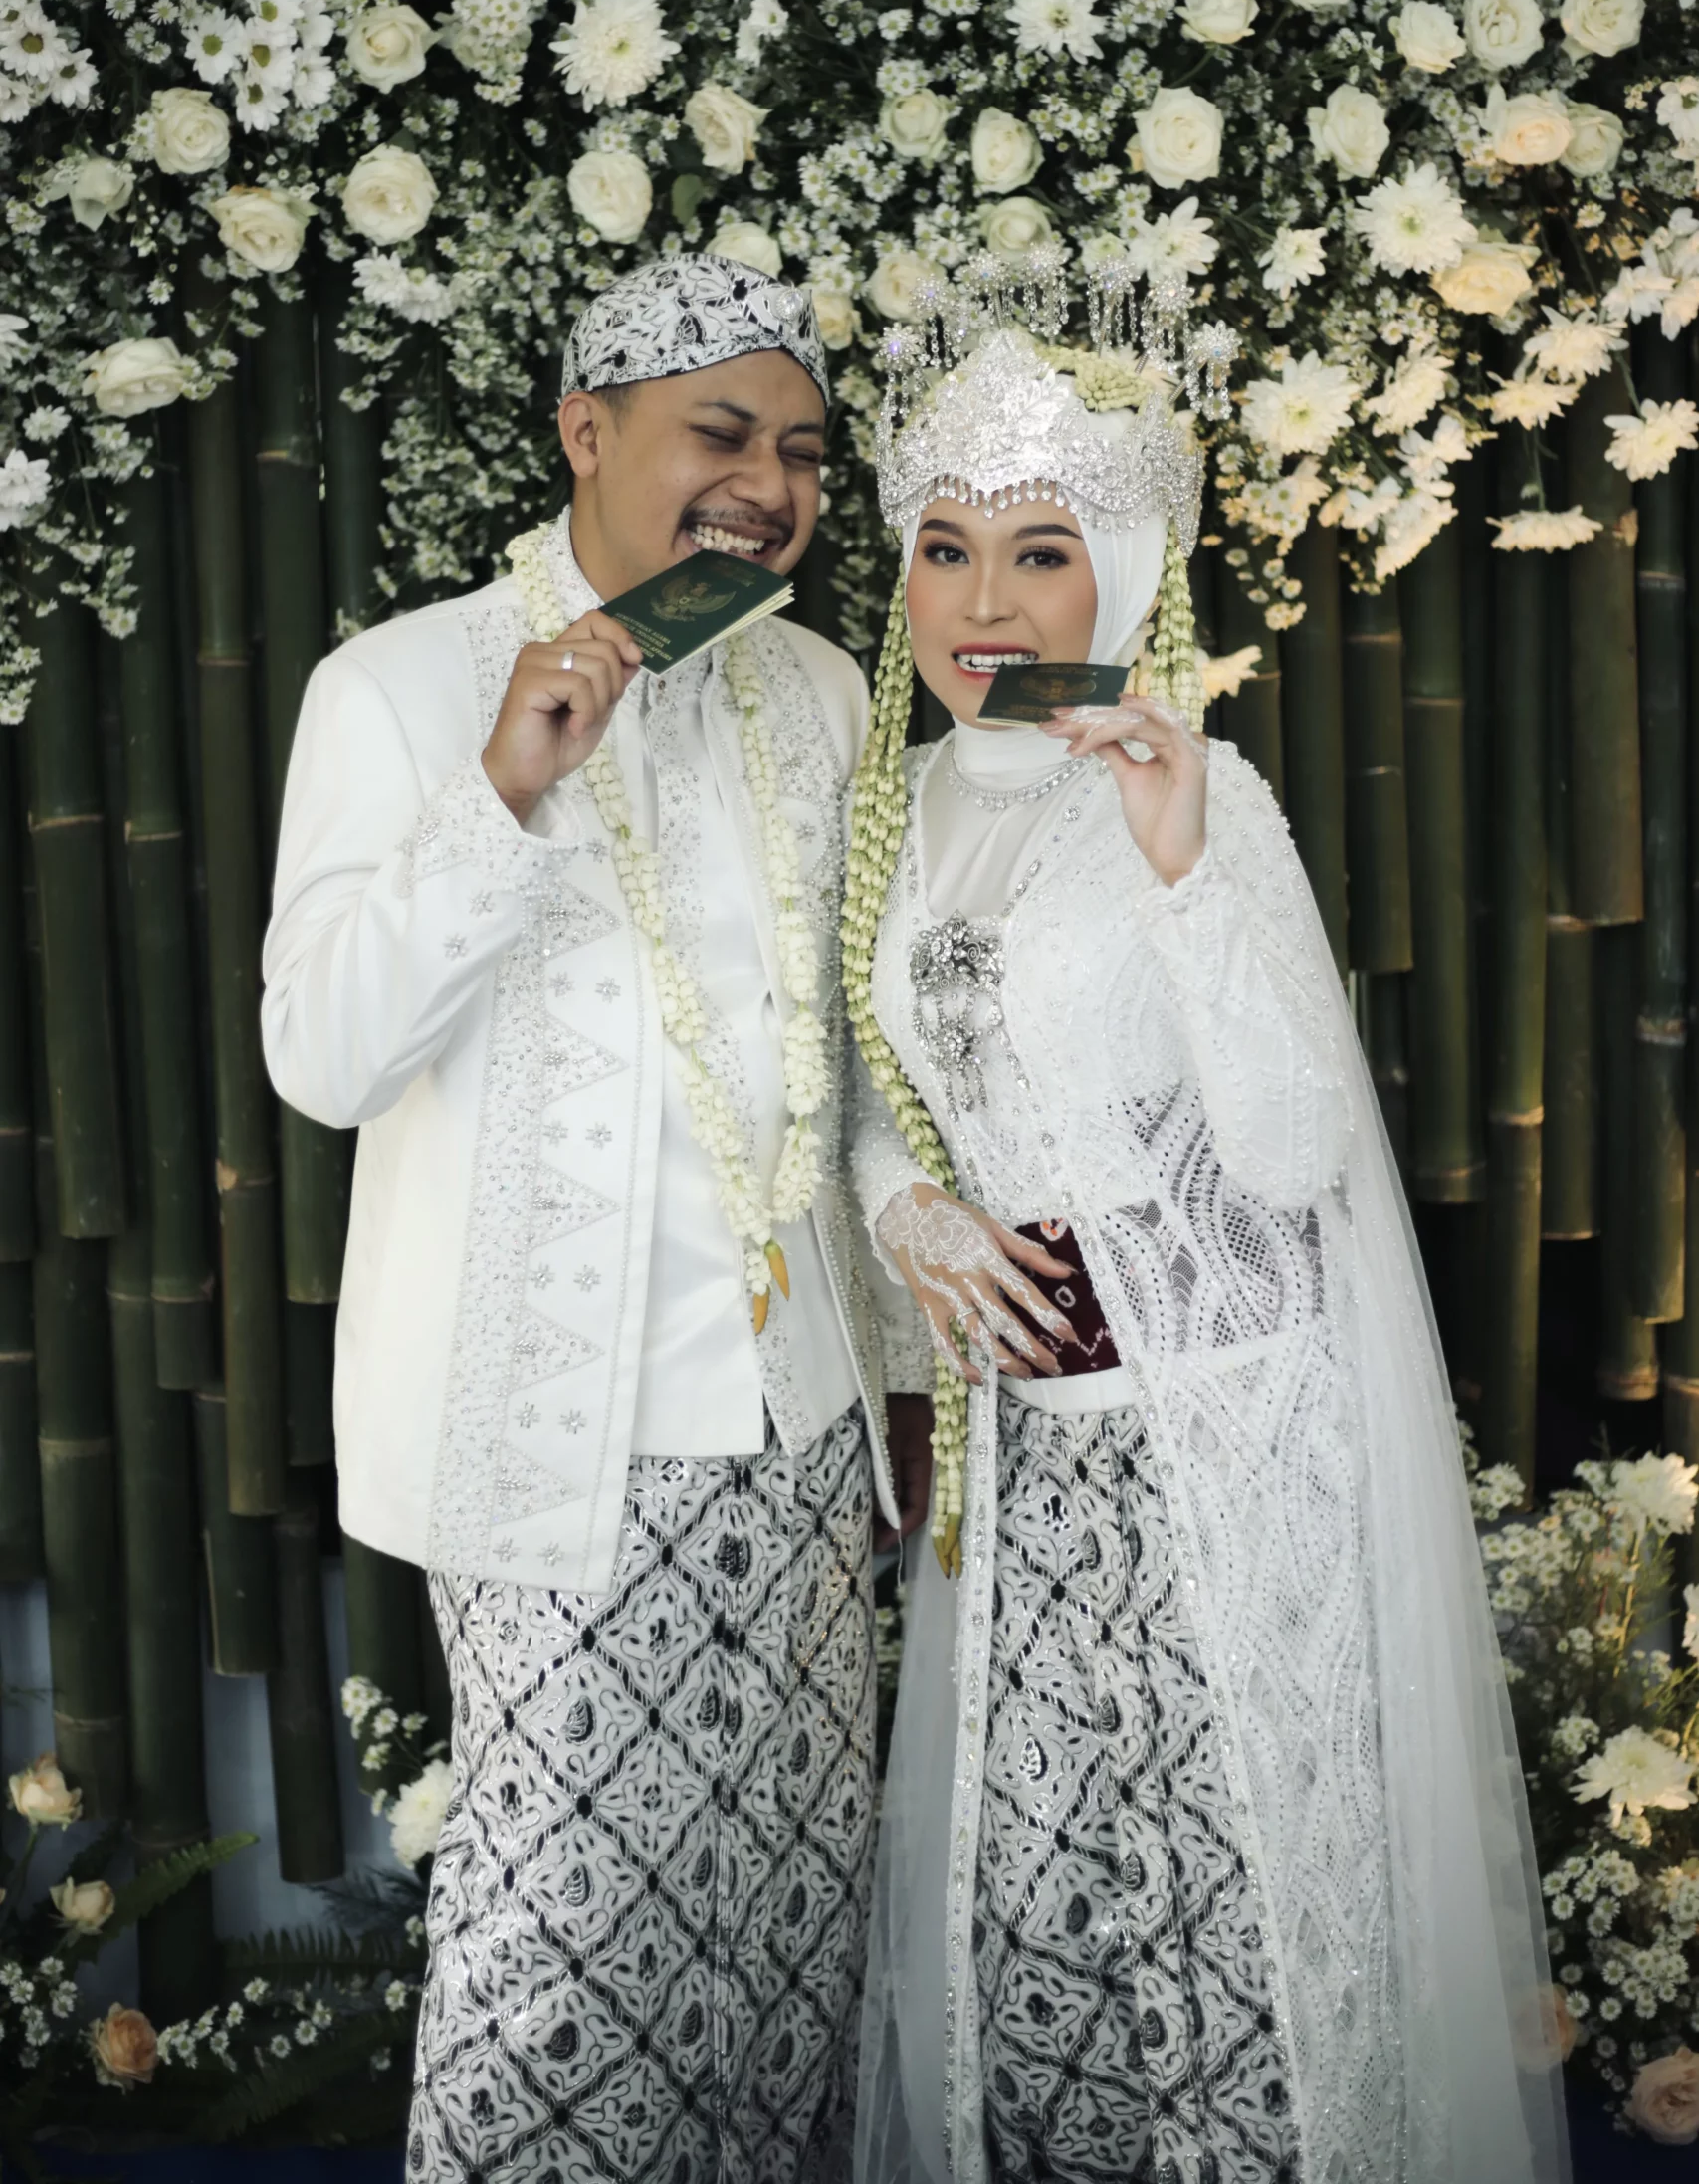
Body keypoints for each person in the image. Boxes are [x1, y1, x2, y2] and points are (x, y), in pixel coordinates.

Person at [845, 256, 1569, 2184]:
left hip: (1219, 1435)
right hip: (1019, 1458)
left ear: (1127, 570)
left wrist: (1175, 870)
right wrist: (903, 1205)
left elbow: (1289, 1144)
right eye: (943, 550)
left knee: (1238, 1906)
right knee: (1037, 1907)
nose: (984, 606)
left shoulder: (1197, 787)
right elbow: (855, 1083)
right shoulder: (887, 808)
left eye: (1040, 555)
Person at [262, 255, 934, 2182]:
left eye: (801, 452)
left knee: (783, 1927)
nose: (767, 486)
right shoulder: (402, 686)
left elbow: (857, 1060)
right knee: (564, 1949)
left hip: (798, 1425)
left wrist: (896, 1376)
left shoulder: (817, 689)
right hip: (553, 1435)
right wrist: (501, 787)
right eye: (720, 433)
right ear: (583, 430)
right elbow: (321, 1055)